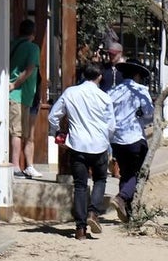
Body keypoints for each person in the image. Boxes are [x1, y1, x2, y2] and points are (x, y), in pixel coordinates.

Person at [48, 63, 115, 240]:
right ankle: (93, 213)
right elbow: (111, 126)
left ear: (84, 75)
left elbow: (53, 116)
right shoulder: (104, 97)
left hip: (77, 145)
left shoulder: (70, 93)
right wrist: (107, 141)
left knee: (80, 186)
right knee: (100, 179)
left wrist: (58, 132)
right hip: (99, 145)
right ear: (99, 76)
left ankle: (80, 229)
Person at [107, 63, 154, 223]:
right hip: (134, 137)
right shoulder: (141, 91)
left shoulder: (112, 92)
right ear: (137, 76)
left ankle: (126, 213)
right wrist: (140, 115)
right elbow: (149, 114)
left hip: (116, 139)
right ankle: (122, 198)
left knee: (126, 173)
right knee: (140, 173)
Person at [8, 19, 43, 179]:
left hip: (16, 95)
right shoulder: (33, 47)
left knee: (18, 131)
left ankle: (19, 165)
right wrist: (14, 85)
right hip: (20, 94)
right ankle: (15, 166)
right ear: (33, 34)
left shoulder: (12, 44)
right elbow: (30, 69)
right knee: (17, 132)